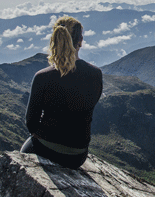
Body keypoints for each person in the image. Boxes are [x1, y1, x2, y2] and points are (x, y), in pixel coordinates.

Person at [20, 16, 102, 169]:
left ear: (55, 40)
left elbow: (31, 124)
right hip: (77, 155)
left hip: (46, 148)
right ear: (80, 41)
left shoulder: (42, 77)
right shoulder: (95, 74)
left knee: (22, 157)